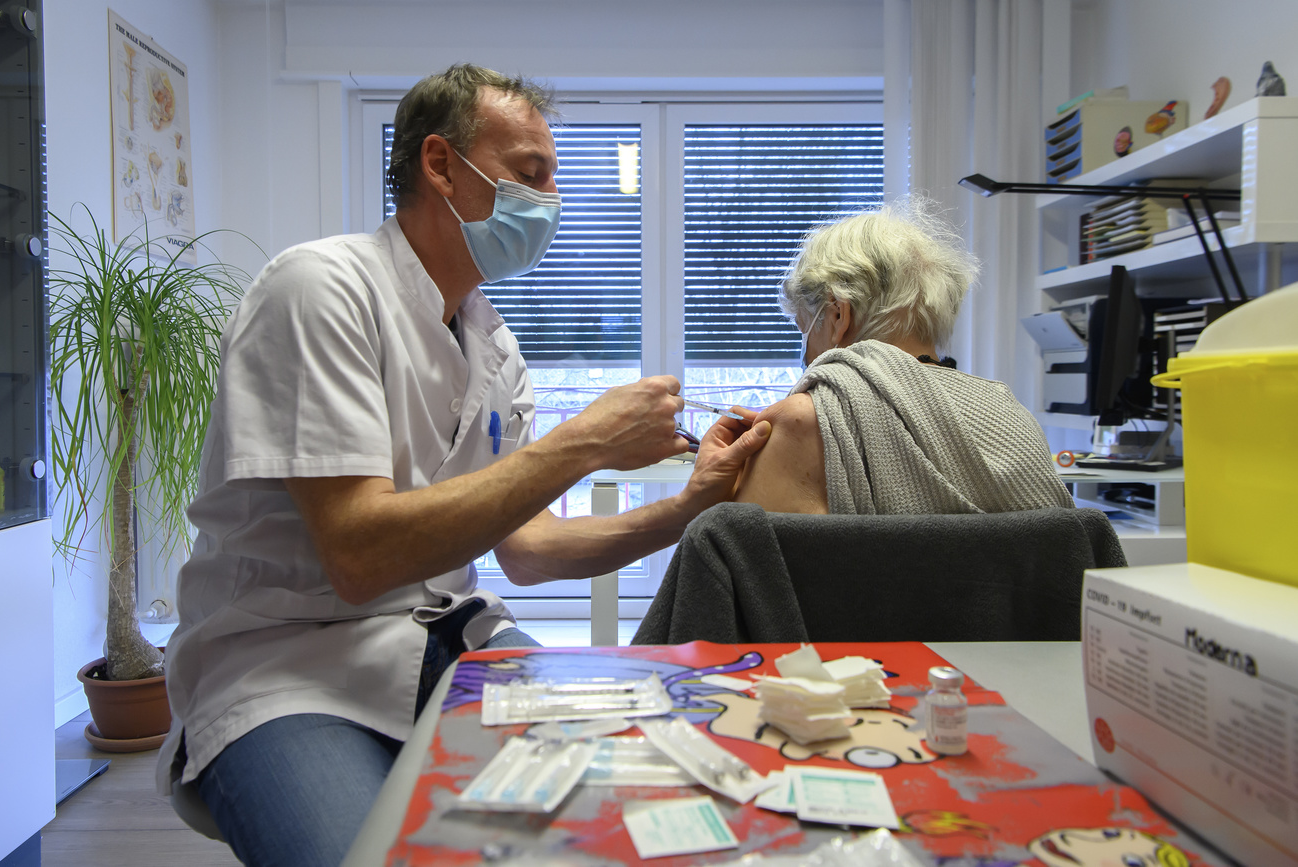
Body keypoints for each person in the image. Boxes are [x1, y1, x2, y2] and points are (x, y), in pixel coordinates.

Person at [156, 63, 769, 867]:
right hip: (288, 662)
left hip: (450, 636)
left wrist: (687, 507)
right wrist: (583, 442)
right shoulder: (320, 288)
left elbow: (530, 548)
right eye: (530, 174)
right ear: (440, 165)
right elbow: (360, 554)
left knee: (619, 812)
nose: (550, 203)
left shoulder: (492, 342)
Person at [732, 197, 1072, 515]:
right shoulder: (1011, 415)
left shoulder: (805, 421)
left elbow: (748, 571)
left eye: (804, 329)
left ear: (838, 315)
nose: (805, 353)